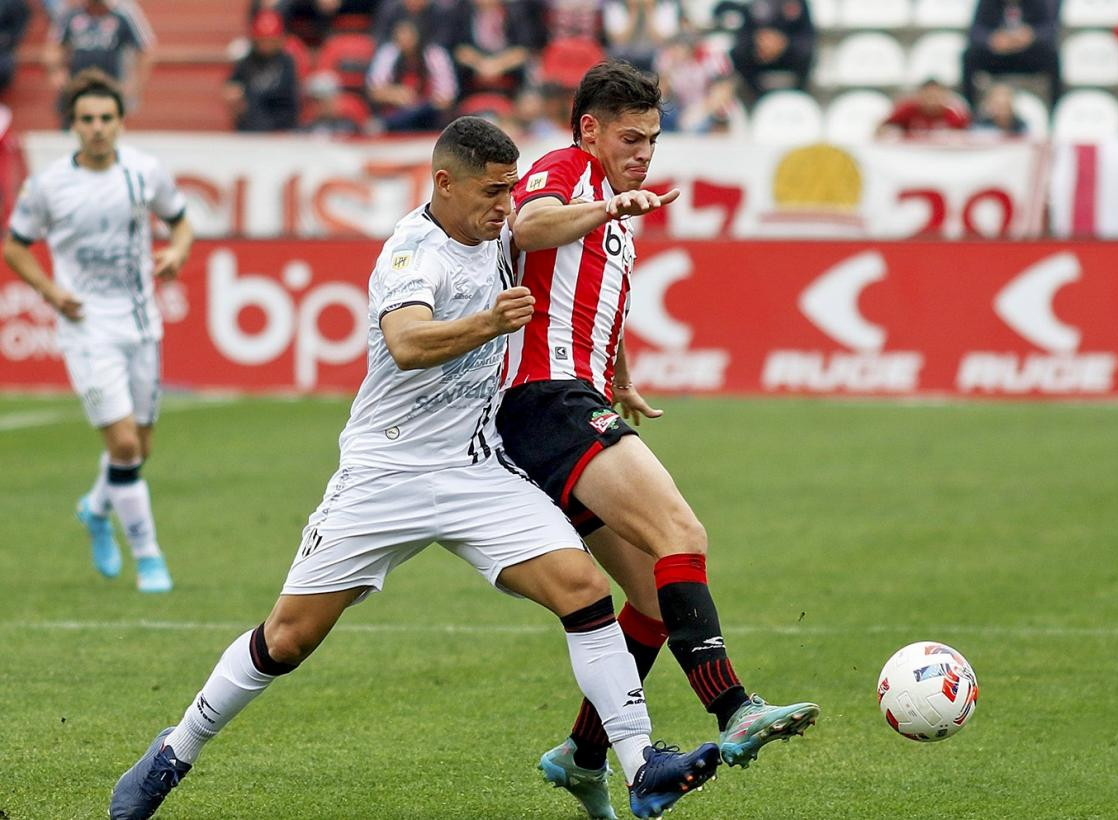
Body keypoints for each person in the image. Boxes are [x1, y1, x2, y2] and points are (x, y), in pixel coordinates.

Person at [106, 116, 721, 820]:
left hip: (473, 467)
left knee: (583, 589)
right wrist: (488, 323)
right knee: (288, 638)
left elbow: (566, 271)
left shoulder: (501, 237)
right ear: (443, 184)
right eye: (492, 193)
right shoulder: (412, 252)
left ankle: (641, 763)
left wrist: (614, 347)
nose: (505, 207)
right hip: (386, 472)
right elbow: (405, 342)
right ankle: (175, 750)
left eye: (511, 191)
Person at [498, 60, 819, 820]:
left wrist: (622, 375)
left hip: (572, 396)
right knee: (682, 531)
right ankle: (734, 708)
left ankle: (580, 757)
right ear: (590, 128)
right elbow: (528, 224)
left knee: (645, 595)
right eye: (631, 138)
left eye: (653, 140)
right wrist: (610, 206)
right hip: (543, 402)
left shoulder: (610, 198)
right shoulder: (565, 168)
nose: (644, 153)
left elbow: (592, 300)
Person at [2, 68, 193, 593]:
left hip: (140, 324)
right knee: (125, 445)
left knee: (141, 446)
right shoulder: (47, 187)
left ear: (121, 122)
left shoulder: (144, 172)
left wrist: (176, 251)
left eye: (106, 118)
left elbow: (180, 221)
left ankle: (94, 507)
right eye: (87, 119)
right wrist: (50, 291)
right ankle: (149, 557)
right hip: (85, 329)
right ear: (73, 125)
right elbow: (15, 246)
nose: (98, 128)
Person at [44, 0, 155, 117]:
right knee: (72, 127)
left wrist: (135, 85)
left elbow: (145, 49)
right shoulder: (71, 12)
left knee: (106, 128)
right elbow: (54, 46)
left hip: (110, 89)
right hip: (76, 89)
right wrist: (56, 71)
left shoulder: (124, 11)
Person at [961, 0, 1061, 106]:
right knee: (970, 56)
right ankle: (970, 107)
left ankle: (1055, 107)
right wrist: (992, 39)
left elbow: (1049, 29)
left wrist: (1031, 34)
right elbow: (975, 31)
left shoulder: (1036, 3)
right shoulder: (987, 3)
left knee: (1051, 55)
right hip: (997, 57)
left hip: (1026, 56)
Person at [224, 9, 301, 132]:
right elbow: (232, 83)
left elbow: (285, 97)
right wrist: (232, 92)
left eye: (270, 40)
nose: (266, 45)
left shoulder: (287, 62)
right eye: (262, 41)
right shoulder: (247, 61)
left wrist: (249, 94)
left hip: (280, 127)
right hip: (251, 127)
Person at [729, 0, 815, 101]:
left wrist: (783, 44)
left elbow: (808, 43)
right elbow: (740, 45)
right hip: (756, 83)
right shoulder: (753, 5)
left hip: (793, 78)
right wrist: (758, 44)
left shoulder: (800, 3)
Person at [878, 79, 971, 137]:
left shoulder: (953, 115)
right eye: (928, 97)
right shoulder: (907, 111)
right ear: (920, 96)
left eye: (936, 97)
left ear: (945, 97)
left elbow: (965, 137)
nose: (932, 101)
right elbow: (882, 128)